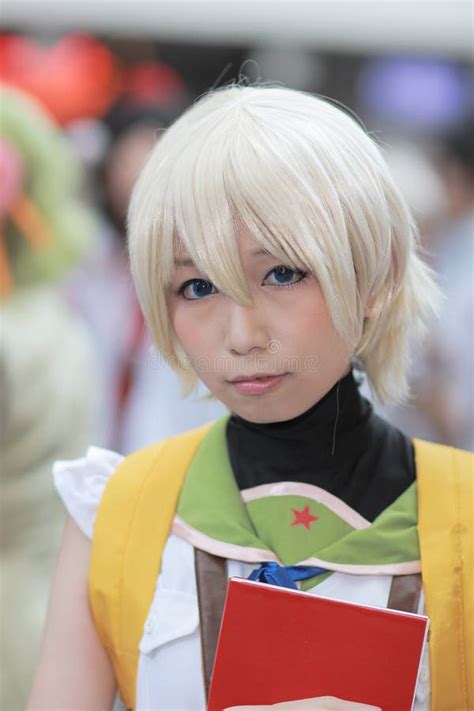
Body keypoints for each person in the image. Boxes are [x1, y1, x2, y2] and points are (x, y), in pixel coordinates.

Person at [27, 85, 472, 711]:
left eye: (282, 273)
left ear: (376, 275)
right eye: (197, 285)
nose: (240, 336)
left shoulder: (466, 519)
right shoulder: (116, 515)